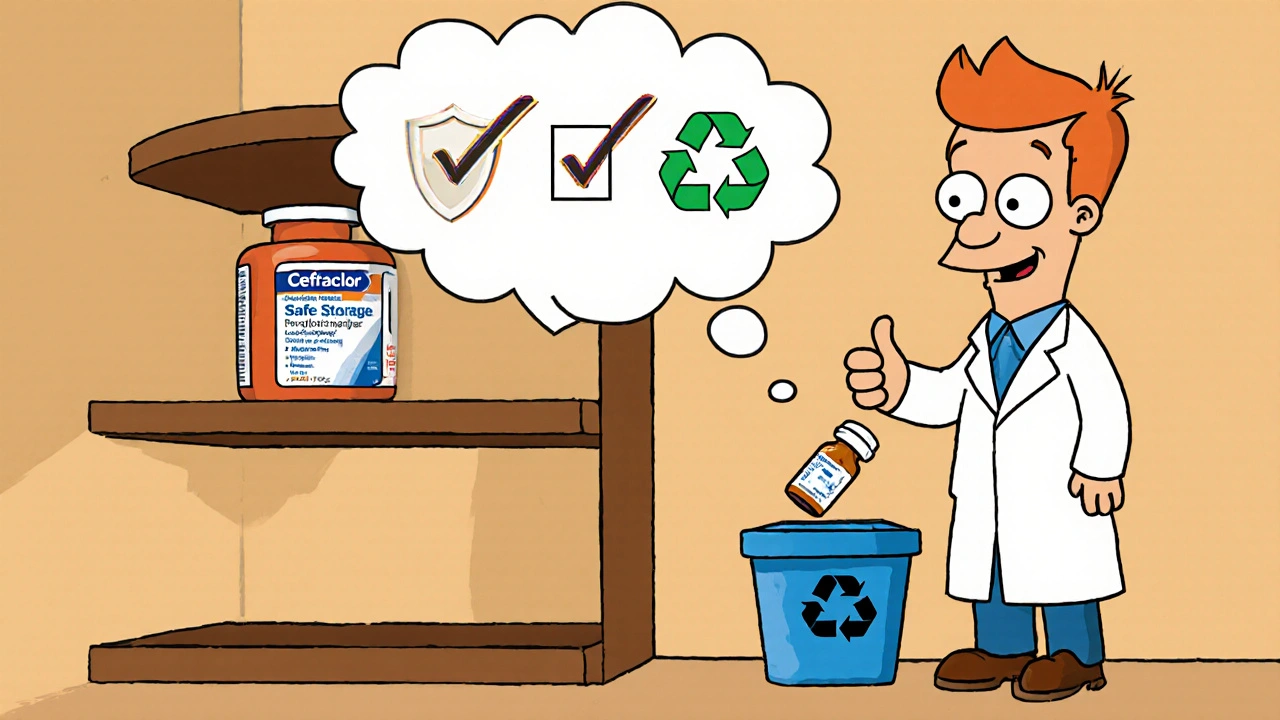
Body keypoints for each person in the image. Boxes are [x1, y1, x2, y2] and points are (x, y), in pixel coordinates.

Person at [844, 37, 1133, 703]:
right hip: (993, 493)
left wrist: (1100, 465)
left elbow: (1106, 403)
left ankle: (1075, 654)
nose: (977, 227)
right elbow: (952, 392)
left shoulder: (1072, 342)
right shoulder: (986, 336)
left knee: (1060, 573)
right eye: (963, 196)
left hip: (1061, 492)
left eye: (1017, 202)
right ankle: (1002, 648)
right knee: (998, 567)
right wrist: (902, 385)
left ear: (1078, 215)